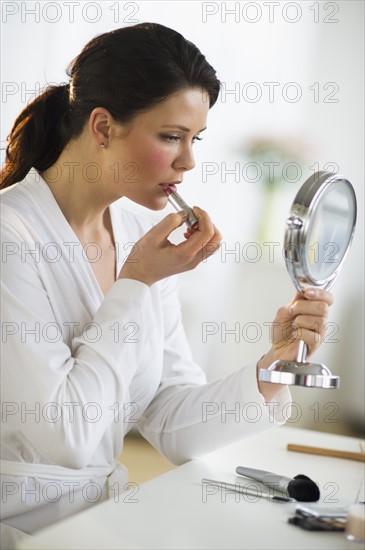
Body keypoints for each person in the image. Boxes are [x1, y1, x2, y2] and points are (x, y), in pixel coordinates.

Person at [0, 22, 333, 548]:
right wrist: (136, 281)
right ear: (103, 127)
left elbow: (175, 425)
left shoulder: (138, 235)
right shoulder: (10, 236)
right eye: (171, 136)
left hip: (97, 520)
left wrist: (276, 364)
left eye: (195, 139)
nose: (189, 161)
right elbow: (66, 436)